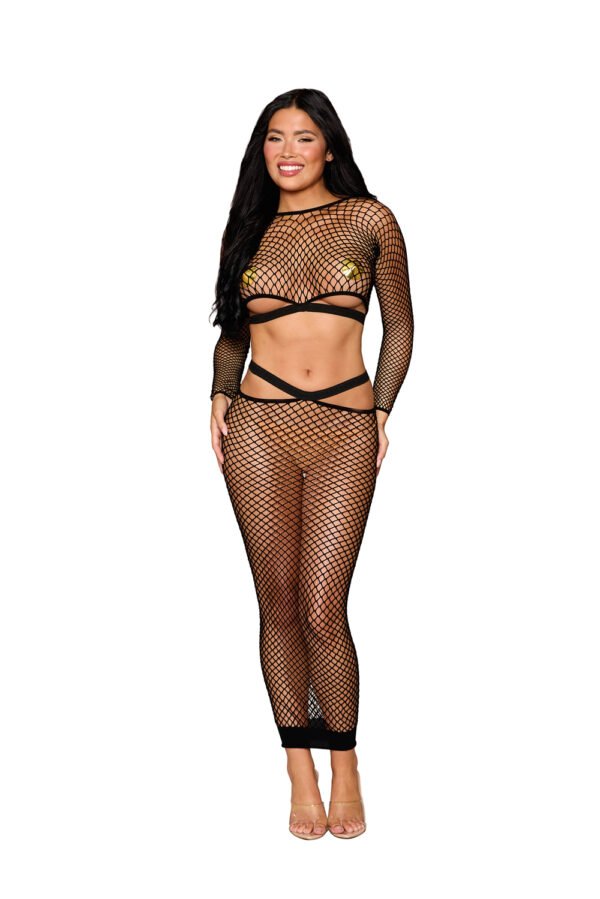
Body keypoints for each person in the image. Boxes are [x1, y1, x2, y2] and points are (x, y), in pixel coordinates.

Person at [209, 88, 414, 840]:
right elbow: (234, 333)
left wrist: (381, 409)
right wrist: (219, 392)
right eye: (275, 137)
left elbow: (401, 324)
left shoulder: (370, 219)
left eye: (303, 136)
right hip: (258, 426)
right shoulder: (249, 227)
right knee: (279, 601)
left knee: (325, 606)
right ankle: (299, 767)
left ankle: (345, 763)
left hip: (343, 427)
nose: (288, 151)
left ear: (329, 146)